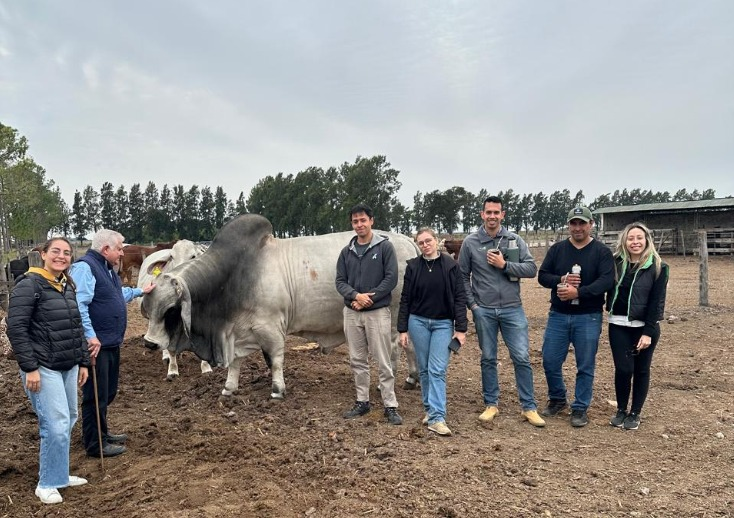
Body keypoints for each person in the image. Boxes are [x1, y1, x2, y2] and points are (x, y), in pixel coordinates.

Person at [6, 237, 91, 504]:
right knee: (55, 424)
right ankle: (46, 483)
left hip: (67, 364)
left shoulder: (67, 285)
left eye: (67, 253)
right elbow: (15, 328)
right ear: (43, 254)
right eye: (55, 251)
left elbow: (75, 328)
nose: (61, 256)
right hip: (43, 367)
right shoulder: (29, 285)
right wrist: (30, 368)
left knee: (70, 418)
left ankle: (60, 474)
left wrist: (83, 361)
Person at [458, 195, 546, 427]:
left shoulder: (514, 239)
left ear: (502, 215)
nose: (492, 216)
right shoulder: (471, 242)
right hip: (484, 310)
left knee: (521, 357)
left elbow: (530, 269)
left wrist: (505, 265)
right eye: (488, 212)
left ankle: (529, 407)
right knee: (488, 357)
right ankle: (491, 404)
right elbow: (462, 277)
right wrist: (473, 306)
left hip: (512, 309)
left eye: (497, 212)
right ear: (482, 215)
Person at [69, 229, 154, 458]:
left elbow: (116, 295)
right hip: (97, 344)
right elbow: (79, 305)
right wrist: (90, 336)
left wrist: (140, 291)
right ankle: (95, 444)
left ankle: (102, 434)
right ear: (106, 249)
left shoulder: (107, 269)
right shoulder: (85, 268)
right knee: (95, 395)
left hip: (111, 342)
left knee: (107, 393)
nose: (122, 253)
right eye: (119, 248)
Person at [537, 207, 615, 427]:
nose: (578, 228)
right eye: (574, 223)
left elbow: (606, 281)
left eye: (582, 223)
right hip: (558, 315)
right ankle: (558, 398)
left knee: (585, 364)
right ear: (568, 225)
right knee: (550, 360)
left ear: (591, 224)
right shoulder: (557, 250)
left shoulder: (601, 252)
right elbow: (543, 276)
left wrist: (579, 292)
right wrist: (560, 280)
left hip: (588, 316)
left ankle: (580, 407)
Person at [336, 204, 403, 425]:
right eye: (355, 221)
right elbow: (340, 282)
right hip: (352, 312)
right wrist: (356, 296)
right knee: (357, 360)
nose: (359, 225)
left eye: (363, 220)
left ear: (371, 220)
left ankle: (390, 405)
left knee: (383, 359)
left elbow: (391, 279)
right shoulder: (347, 252)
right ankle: (362, 402)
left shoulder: (384, 248)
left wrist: (368, 299)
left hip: (377, 312)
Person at [397, 227, 467, 436]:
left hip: (442, 324)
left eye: (428, 241)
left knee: (437, 369)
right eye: (421, 243)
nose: (425, 245)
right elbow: (406, 299)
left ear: (436, 241)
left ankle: (437, 417)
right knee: (425, 369)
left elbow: (460, 297)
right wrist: (402, 329)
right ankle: (430, 409)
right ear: (417, 245)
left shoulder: (451, 266)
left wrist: (461, 329)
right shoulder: (413, 267)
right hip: (418, 322)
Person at [606, 222, 669, 430]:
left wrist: (648, 332)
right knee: (623, 369)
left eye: (639, 238)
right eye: (631, 238)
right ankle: (621, 409)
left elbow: (657, 301)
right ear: (624, 240)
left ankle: (635, 413)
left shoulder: (658, 266)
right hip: (618, 324)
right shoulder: (615, 263)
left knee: (641, 370)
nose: (635, 242)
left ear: (646, 240)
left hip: (644, 327)